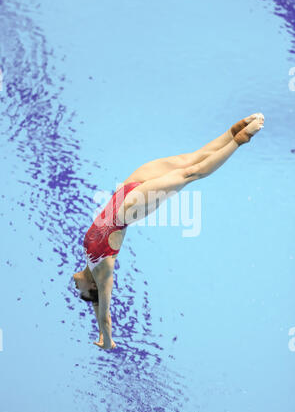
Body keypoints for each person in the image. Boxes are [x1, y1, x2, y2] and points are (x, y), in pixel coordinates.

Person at [73, 113, 264, 350]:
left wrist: (106, 339)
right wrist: (106, 338)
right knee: (189, 165)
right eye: (81, 291)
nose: (76, 286)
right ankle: (236, 134)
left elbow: (101, 311)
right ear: (92, 288)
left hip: (130, 203)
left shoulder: (98, 272)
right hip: (126, 192)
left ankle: (238, 137)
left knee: (190, 170)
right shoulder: (97, 266)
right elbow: (101, 309)